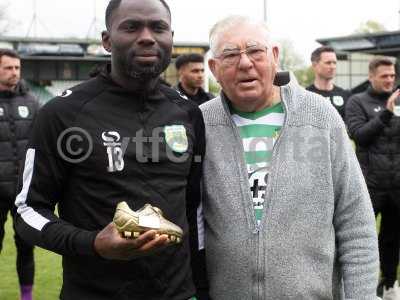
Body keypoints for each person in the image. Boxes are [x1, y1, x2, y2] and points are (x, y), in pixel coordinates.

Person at [14, 0, 207, 299]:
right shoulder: (63, 113)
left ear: (171, 37)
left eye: (159, 27)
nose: (147, 36)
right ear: (107, 40)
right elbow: (27, 210)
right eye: (131, 27)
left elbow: (194, 210)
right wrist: (92, 244)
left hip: (178, 293)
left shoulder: (187, 113)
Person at [199, 15, 379, 299]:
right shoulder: (201, 124)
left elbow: (355, 221)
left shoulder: (320, 117)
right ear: (214, 68)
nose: (245, 63)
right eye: (230, 54)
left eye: (255, 51)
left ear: (274, 56)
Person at [345, 57, 400, 299]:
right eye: (384, 76)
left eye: (392, 76)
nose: (389, 80)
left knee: (392, 240)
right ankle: (359, 290)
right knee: (362, 241)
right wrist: (386, 114)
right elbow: (359, 135)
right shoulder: (358, 101)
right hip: (369, 185)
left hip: (396, 186)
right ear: (371, 77)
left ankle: (389, 285)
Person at [0, 49, 39, 300]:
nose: (14, 72)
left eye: (17, 68)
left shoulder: (32, 102)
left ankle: (27, 297)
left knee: (26, 246)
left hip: (23, 192)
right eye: (8, 68)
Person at [306, 46, 351, 119]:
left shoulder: (346, 95)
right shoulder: (305, 96)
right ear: (314, 65)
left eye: (334, 63)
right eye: (328, 63)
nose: (333, 66)